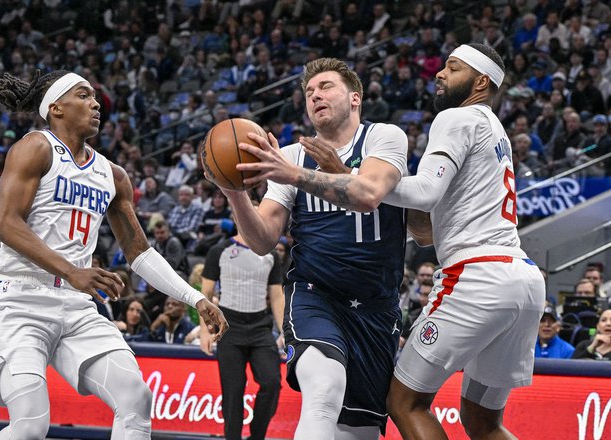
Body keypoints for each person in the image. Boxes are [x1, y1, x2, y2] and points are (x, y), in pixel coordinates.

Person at [0, 69, 228, 440]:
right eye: (83, 95)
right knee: (31, 424)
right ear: (56, 108)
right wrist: (72, 271)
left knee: (136, 398)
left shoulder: (112, 174)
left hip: (75, 305)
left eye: (95, 97)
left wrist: (195, 297)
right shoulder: (35, 147)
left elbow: (140, 253)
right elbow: (5, 223)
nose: (95, 103)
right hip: (20, 298)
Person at [206, 57, 408, 440]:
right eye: (309, 92)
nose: (315, 95)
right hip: (316, 296)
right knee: (324, 390)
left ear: (355, 98)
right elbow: (262, 240)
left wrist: (293, 174)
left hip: (376, 305)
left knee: (358, 432)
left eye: (326, 87)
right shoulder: (290, 155)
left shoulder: (384, 137)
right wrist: (234, 193)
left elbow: (368, 195)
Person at [382, 44, 545, 440]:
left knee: (405, 401)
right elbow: (429, 224)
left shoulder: (456, 118)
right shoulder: (496, 130)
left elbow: (423, 191)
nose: (440, 73)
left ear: (481, 81)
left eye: (453, 68)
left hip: (476, 277)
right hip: (521, 279)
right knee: (482, 421)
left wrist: (358, 183)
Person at [200, 229, 284, 440]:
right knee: (233, 392)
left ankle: (257, 436)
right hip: (229, 327)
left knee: (272, 382)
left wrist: (286, 331)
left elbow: (276, 298)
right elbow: (205, 295)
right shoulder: (218, 250)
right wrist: (205, 330)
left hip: (260, 327)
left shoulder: (272, 255)